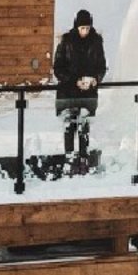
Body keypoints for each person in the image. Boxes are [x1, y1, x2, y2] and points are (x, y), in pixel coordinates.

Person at [53, 9, 107, 164]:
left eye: (87, 28)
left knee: (84, 127)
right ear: (76, 27)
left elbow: (102, 66)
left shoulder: (96, 42)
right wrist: (74, 81)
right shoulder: (67, 41)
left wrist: (96, 79)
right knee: (69, 127)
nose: (85, 31)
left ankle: (83, 159)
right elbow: (58, 68)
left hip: (87, 93)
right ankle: (69, 159)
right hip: (68, 93)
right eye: (82, 28)